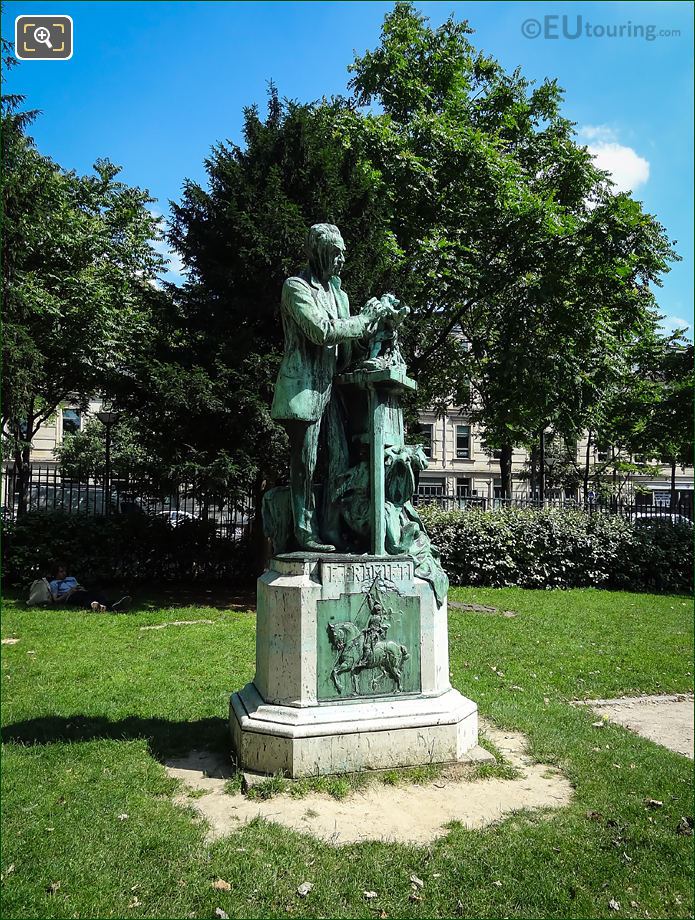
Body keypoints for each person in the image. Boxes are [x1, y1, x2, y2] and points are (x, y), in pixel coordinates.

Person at [270, 223, 403, 552]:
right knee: (306, 462)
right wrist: (364, 318)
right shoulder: (296, 287)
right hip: (303, 390)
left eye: (344, 254)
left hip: (332, 389)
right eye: (335, 253)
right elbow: (322, 332)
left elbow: (348, 345)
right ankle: (304, 531)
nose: (341, 260)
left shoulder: (339, 295)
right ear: (318, 252)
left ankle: (329, 528)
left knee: (339, 461)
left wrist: (379, 326)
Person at [48, 562, 131, 612]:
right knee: (82, 598)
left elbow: (79, 586)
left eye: (65, 571)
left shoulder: (71, 578)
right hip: (70, 596)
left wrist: (81, 589)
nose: (64, 573)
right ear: (56, 573)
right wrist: (69, 592)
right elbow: (55, 600)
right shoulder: (54, 583)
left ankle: (114, 605)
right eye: (61, 572)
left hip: (81, 591)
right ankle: (95, 605)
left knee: (97, 593)